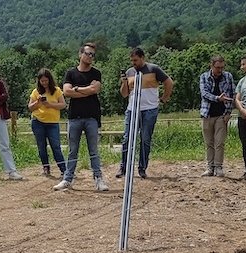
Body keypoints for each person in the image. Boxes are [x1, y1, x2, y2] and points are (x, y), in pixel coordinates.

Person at [53, 43, 109, 191]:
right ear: (80, 54)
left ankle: (98, 179)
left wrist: (76, 89)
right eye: (88, 53)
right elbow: (66, 92)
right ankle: (67, 179)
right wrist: (85, 90)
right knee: (72, 150)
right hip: (74, 117)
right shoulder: (70, 73)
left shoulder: (96, 73)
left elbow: (95, 89)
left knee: (94, 150)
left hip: (92, 116)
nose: (90, 57)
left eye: (92, 54)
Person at [116, 48, 173, 179]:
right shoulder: (130, 72)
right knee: (127, 138)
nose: (133, 63)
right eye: (131, 61)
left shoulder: (154, 69)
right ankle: (123, 167)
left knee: (145, 139)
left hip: (149, 109)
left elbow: (168, 82)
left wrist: (164, 98)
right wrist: (124, 82)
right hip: (132, 109)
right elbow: (124, 94)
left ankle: (142, 168)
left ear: (142, 58)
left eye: (135, 60)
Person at [198, 55, 235, 177]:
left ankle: (218, 166)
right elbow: (204, 94)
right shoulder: (204, 77)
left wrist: (228, 112)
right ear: (211, 66)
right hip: (207, 114)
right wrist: (217, 98)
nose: (220, 70)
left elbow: (231, 94)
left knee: (219, 142)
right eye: (217, 67)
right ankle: (210, 166)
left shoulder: (228, 76)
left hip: (221, 114)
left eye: (222, 67)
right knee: (209, 142)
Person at [27, 68, 67, 177]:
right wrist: (38, 102)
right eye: (42, 81)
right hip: (38, 121)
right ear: (39, 81)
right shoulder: (36, 92)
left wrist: (50, 105)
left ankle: (64, 169)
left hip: (53, 123)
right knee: (41, 146)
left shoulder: (57, 90)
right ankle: (46, 167)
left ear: (50, 79)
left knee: (56, 146)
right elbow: (30, 107)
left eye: (46, 80)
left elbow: (63, 105)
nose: (44, 83)